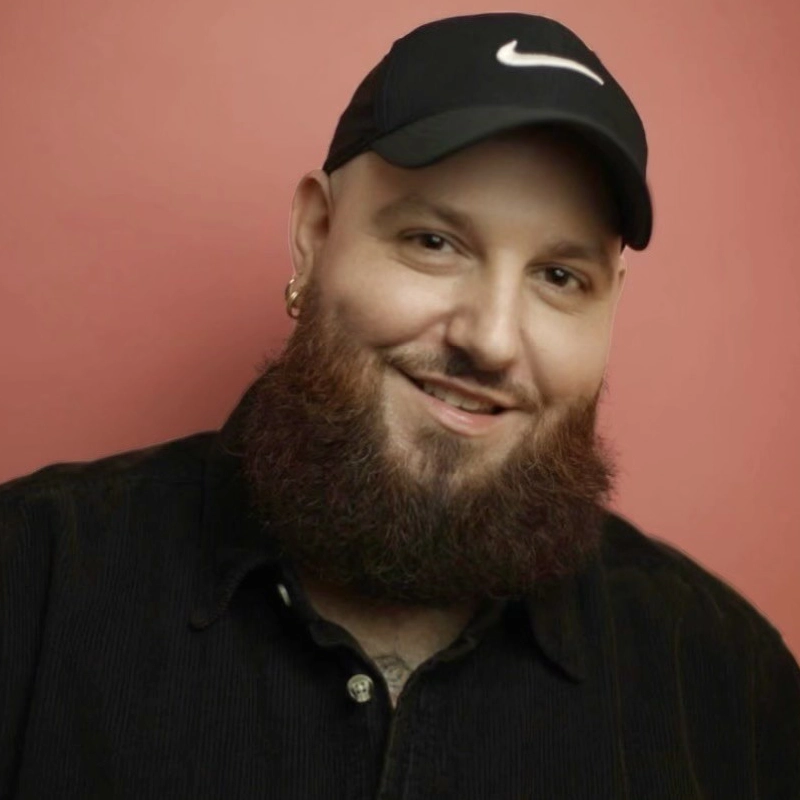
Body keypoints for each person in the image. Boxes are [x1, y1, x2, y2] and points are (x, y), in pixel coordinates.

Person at [1, 12, 798, 799]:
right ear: (314, 234)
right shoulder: (29, 583)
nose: (490, 339)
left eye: (559, 277)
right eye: (434, 241)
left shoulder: (731, 682)